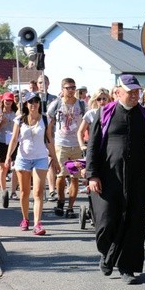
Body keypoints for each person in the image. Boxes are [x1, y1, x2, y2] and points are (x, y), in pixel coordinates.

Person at [86, 74, 145, 284]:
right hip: (108, 178)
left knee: (134, 224)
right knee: (106, 221)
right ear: (117, 92)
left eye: (137, 92)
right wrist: (92, 174)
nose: (134, 96)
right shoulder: (104, 113)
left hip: (138, 178)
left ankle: (127, 268)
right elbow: (92, 146)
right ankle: (107, 254)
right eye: (130, 92)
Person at [4, 91, 60, 235]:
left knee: (38, 192)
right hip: (23, 159)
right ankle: (25, 218)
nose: (33, 104)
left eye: (36, 101)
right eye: (30, 102)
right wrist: (8, 157)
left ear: (39, 104)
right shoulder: (20, 120)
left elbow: (49, 140)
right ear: (26, 104)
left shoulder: (45, 119)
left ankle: (37, 223)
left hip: (40, 158)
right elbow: (14, 139)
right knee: (24, 192)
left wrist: (55, 159)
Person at [47, 77, 86, 218]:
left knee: (75, 177)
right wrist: (49, 141)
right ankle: (60, 200)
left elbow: (88, 122)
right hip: (61, 144)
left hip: (76, 145)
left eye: (73, 88)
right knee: (61, 175)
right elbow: (48, 123)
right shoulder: (56, 104)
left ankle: (70, 207)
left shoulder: (81, 105)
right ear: (62, 89)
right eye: (68, 88)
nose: (71, 91)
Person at [36, 74, 59, 200]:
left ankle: (51, 190)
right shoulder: (32, 98)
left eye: (44, 82)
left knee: (50, 160)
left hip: (50, 132)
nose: (41, 85)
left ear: (48, 84)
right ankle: (37, 188)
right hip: (36, 133)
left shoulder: (54, 99)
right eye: (40, 83)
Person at [0, 91, 19, 202]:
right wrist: (1, 123)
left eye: (10, 100)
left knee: (15, 167)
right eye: (6, 100)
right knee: (3, 167)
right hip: (1, 141)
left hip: (14, 141)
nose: (8, 102)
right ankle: (4, 191)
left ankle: (13, 191)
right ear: (3, 101)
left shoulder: (17, 113)